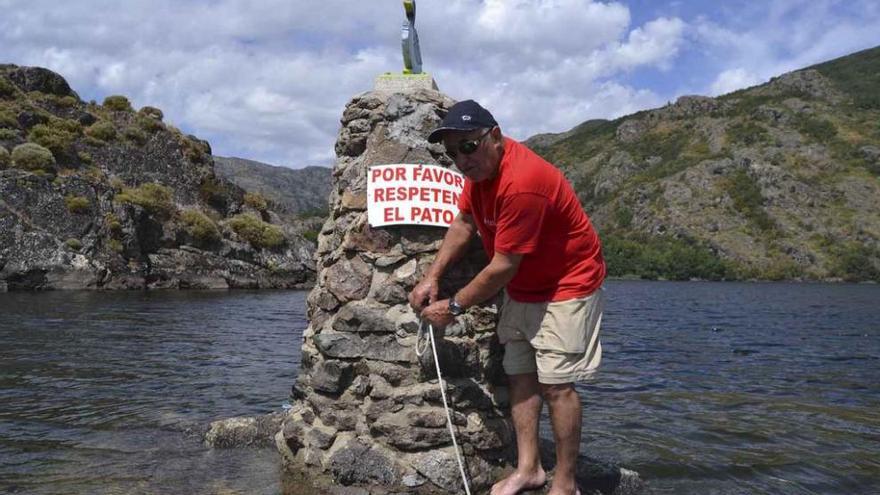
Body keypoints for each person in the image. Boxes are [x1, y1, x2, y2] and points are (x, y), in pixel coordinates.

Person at [408, 100, 605, 495]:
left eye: (468, 146)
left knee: (557, 386)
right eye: (453, 153)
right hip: (523, 288)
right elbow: (464, 223)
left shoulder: (523, 182)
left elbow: (502, 266)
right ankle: (528, 469)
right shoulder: (479, 175)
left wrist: (456, 305)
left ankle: (565, 483)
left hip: (568, 284)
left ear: (495, 136)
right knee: (520, 375)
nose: (462, 160)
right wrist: (433, 276)